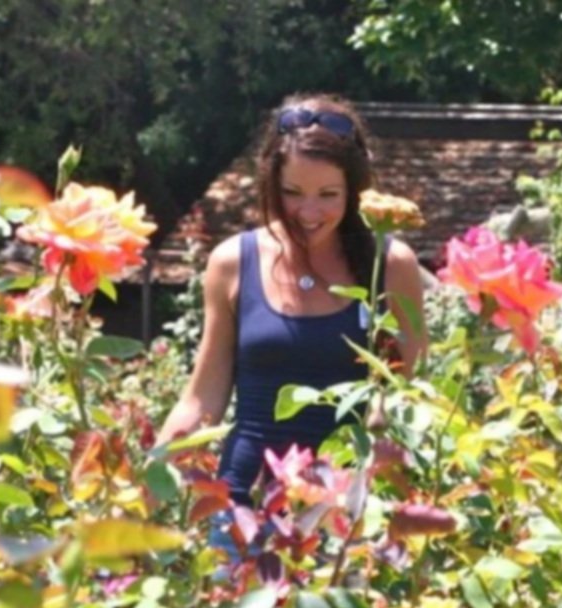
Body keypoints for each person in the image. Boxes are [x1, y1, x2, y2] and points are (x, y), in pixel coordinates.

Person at [157, 93, 427, 515]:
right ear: (270, 183)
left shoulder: (390, 266)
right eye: (292, 192)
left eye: (328, 194)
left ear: (355, 191)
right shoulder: (232, 263)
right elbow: (201, 400)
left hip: (347, 518)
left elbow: (411, 396)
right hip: (243, 511)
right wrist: (142, 486)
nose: (309, 210)